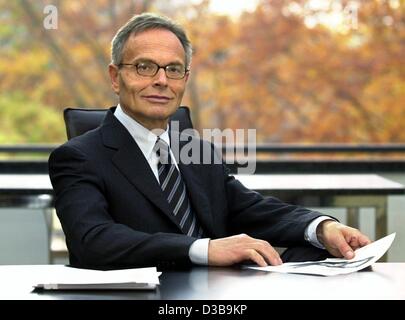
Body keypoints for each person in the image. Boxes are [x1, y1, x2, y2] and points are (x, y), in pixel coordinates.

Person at [48, 13, 371, 270]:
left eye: (173, 69)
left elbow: (249, 209)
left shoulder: (194, 149)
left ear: (184, 80)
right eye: (144, 67)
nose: (161, 80)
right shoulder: (78, 157)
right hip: (146, 295)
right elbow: (93, 240)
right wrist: (204, 249)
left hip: (219, 295)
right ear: (116, 77)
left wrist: (319, 227)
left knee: (315, 256)